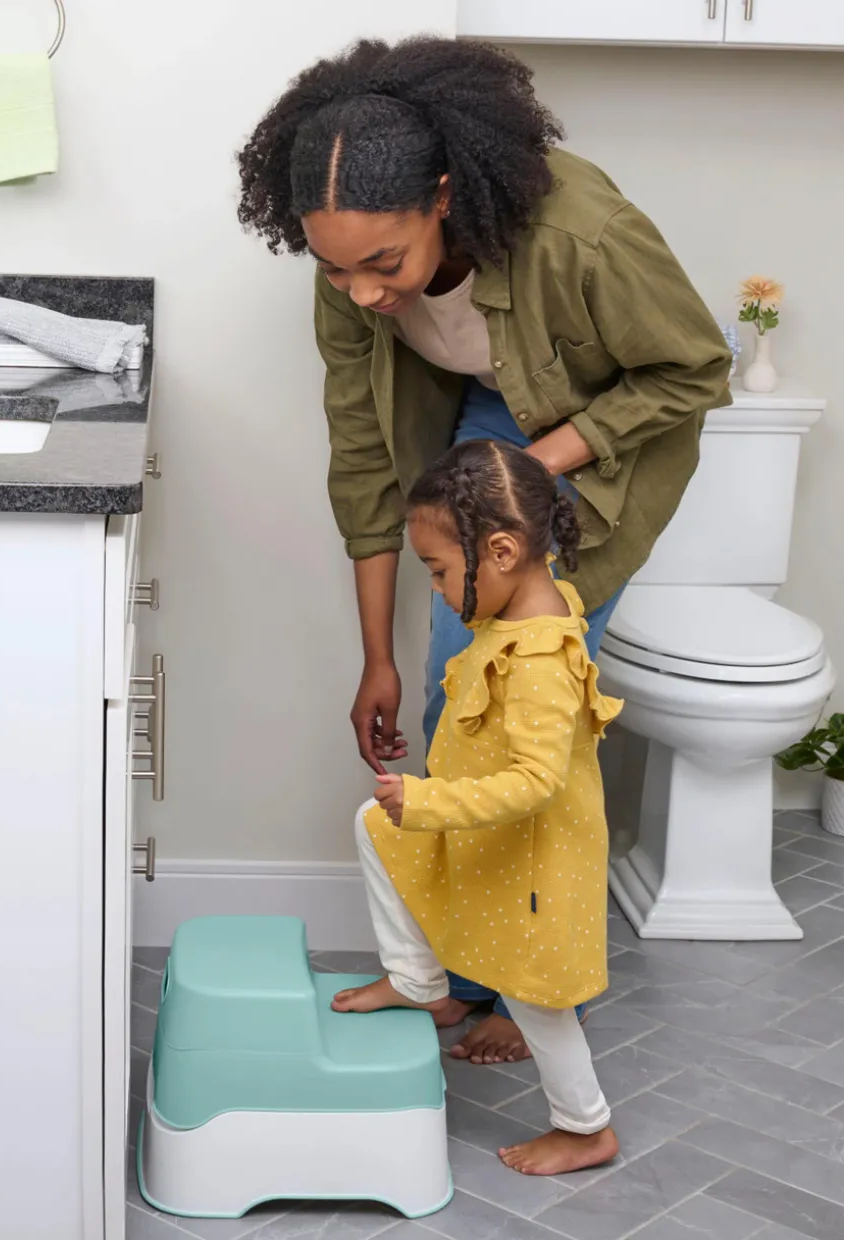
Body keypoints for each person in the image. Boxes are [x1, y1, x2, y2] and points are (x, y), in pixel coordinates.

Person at [237, 36, 732, 1064]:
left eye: (385, 265)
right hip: (486, 413)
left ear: (447, 198)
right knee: (443, 703)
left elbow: (690, 373)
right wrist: (373, 651)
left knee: (527, 730)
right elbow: (366, 459)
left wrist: (530, 466)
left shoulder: (580, 235)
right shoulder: (348, 275)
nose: (364, 292)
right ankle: (450, 981)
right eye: (334, 267)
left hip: (602, 441)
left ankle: (540, 990)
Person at [334, 439, 622, 1175]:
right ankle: (418, 980)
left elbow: (537, 782)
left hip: (531, 857)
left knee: (536, 1004)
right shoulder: (523, 602)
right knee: (376, 827)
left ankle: (585, 1127)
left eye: (438, 571)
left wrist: (428, 799)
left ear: (499, 551)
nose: (434, 588)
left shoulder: (539, 660)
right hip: (487, 834)